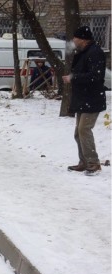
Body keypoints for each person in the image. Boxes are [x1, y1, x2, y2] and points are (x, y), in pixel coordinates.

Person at [62, 26, 107, 175]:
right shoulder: (84, 52)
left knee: (84, 129)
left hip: (92, 98)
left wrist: (73, 77)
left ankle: (93, 163)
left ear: (83, 39)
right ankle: (84, 162)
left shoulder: (95, 53)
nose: (73, 41)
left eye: (75, 38)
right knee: (78, 132)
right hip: (83, 98)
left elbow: (95, 76)